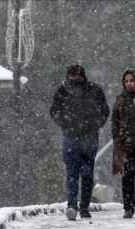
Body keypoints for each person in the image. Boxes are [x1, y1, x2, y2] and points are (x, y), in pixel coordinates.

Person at [50, 64, 109, 220]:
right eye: (72, 76)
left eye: (76, 76)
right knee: (76, 173)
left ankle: (81, 206)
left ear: (82, 76)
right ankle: (74, 206)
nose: (74, 79)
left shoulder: (92, 90)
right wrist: (67, 123)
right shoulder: (63, 90)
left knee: (82, 174)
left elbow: (104, 110)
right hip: (73, 137)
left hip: (85, 137)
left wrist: (94, 124)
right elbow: (54, 111)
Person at [111, 69, 135, 219]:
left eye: (131, 80)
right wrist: (118, 138)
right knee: (127, 176)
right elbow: (115, 120)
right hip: (127, 143)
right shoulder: (120, 99)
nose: (129, 84)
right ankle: (128, 207)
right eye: (126, 81)